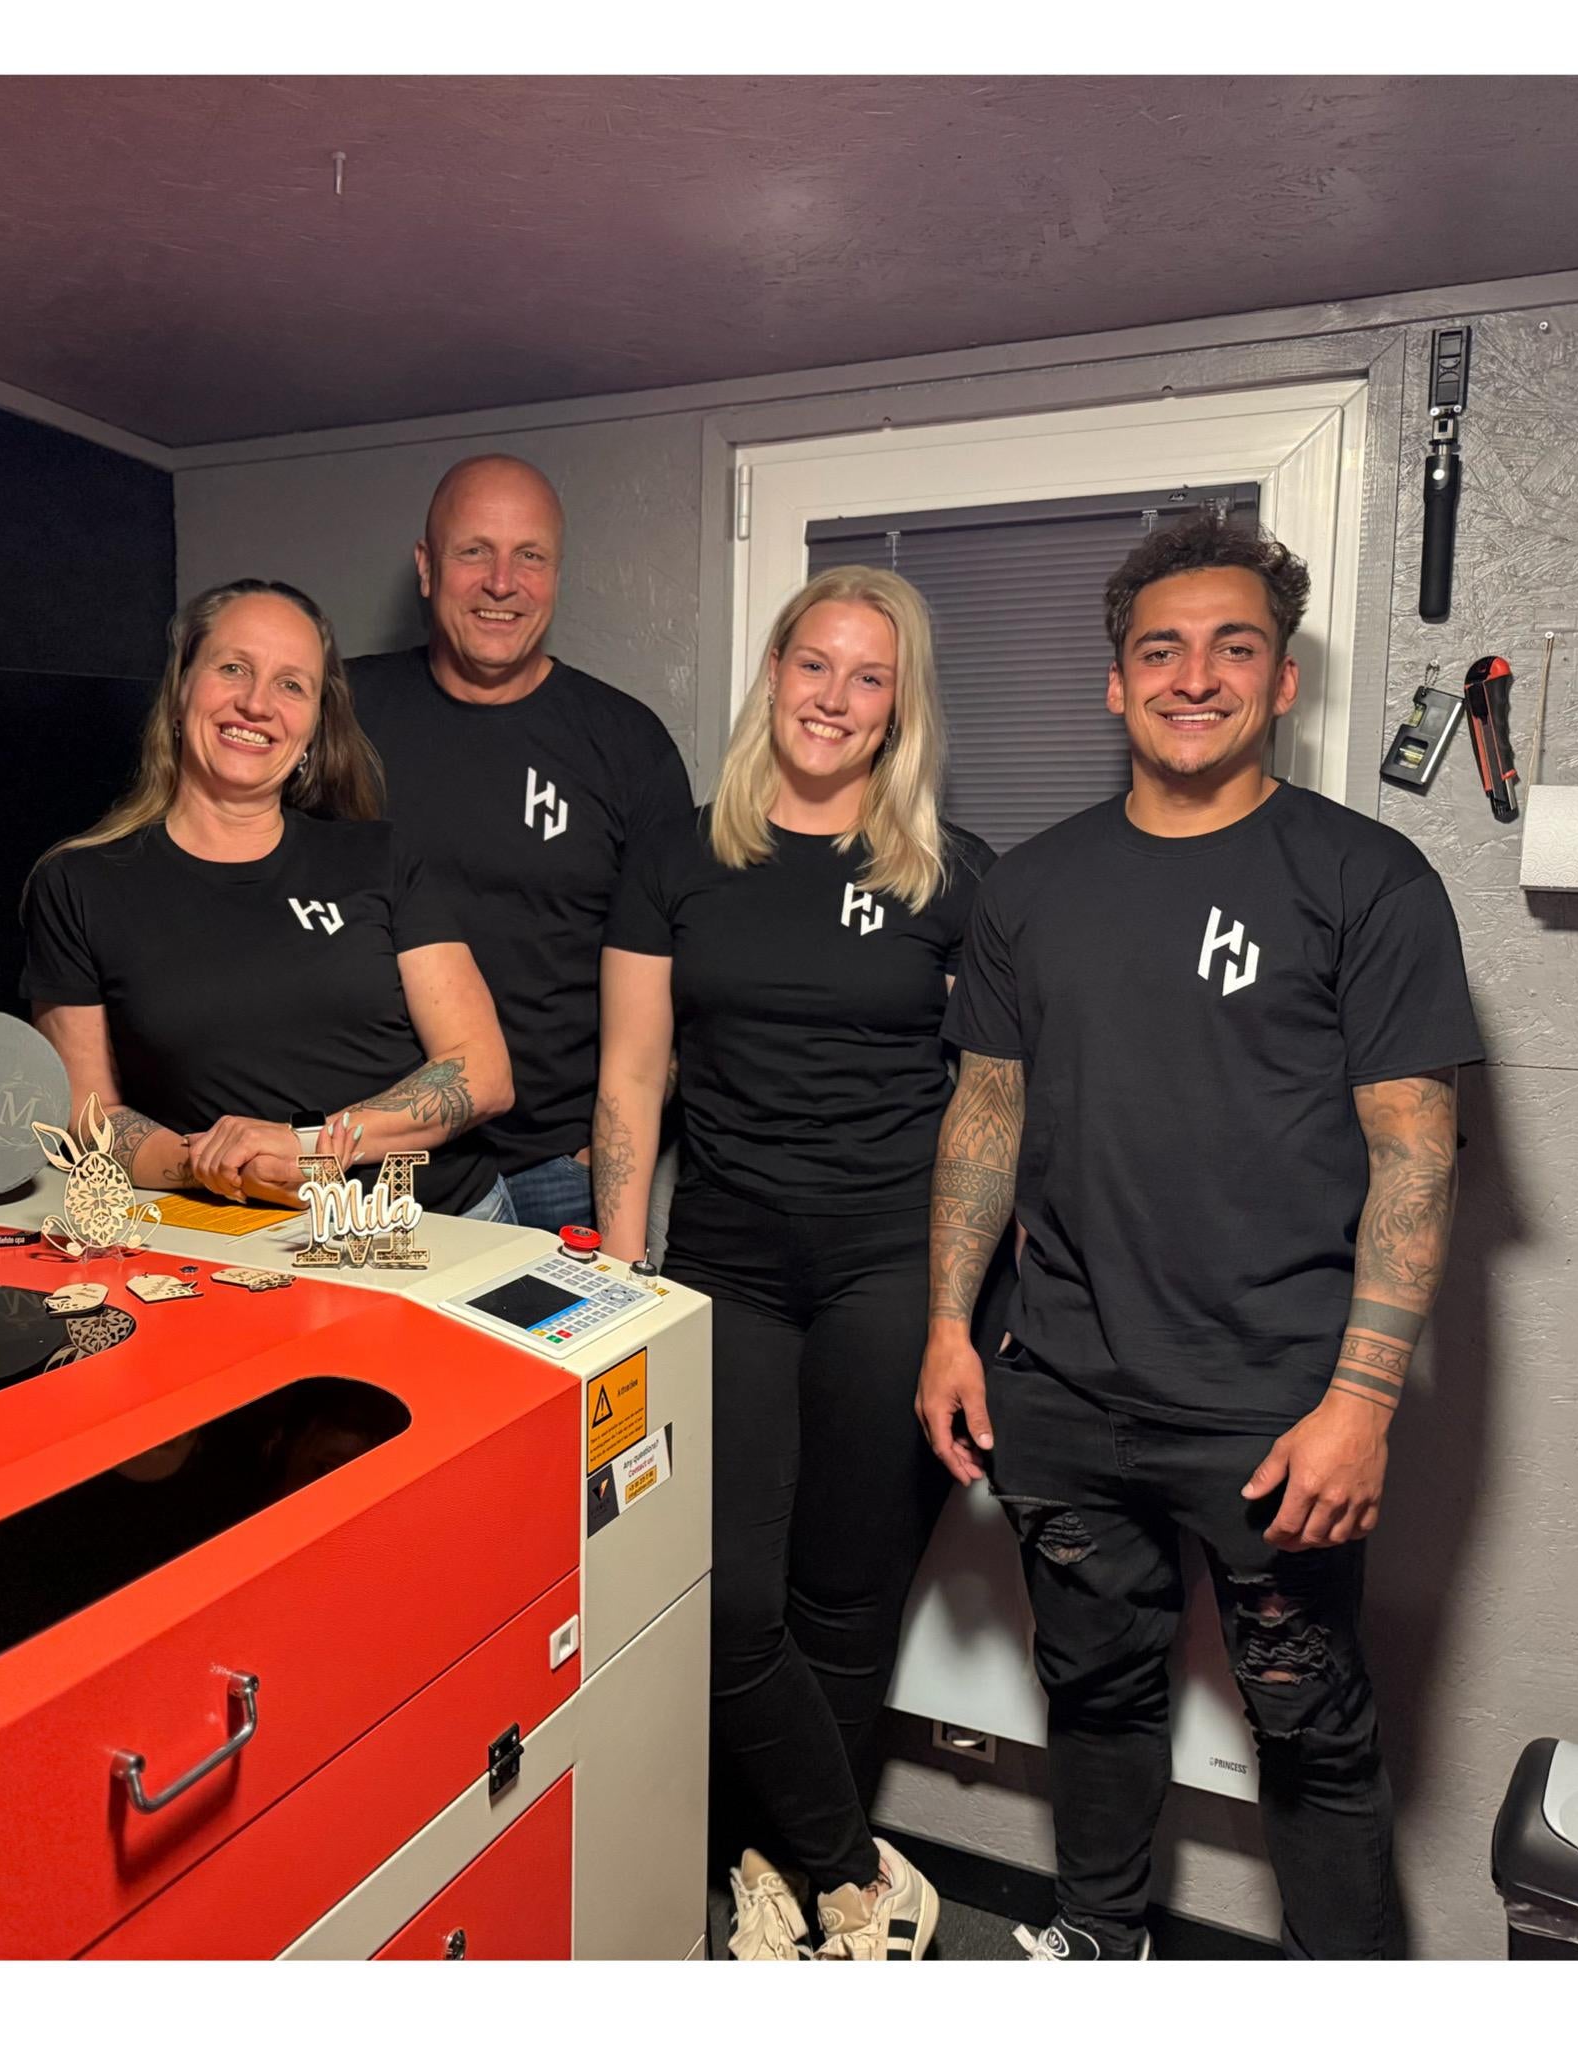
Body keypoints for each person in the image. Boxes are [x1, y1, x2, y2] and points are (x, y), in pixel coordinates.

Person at [916, 513, 1483, 1961]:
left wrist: (1362, 1403)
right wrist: (947, 1329)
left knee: (1311, 1729)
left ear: (1281, 681)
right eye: (1160, 650)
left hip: (1277, 1411)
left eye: (1234, 648)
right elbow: (986, 1112)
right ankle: (1100, 1940)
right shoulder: (1031, 887)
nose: (1194, 676)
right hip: (1062, 1389)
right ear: (1116, 682)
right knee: (1095, 1693)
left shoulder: (1366, 879)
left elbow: (1415, 1152)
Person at [594, 565, 1001, 1962]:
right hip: (728, 1264)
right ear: (773, 673)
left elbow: (993, 1104)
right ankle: (855, 1873)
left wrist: (961, 1307)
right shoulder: (677, 854)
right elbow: (631, 1076)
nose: (835, 696)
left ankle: (779, 1879)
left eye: (868, 676)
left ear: (899, 706)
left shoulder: (951, 874)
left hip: (892, 1265)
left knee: (845, 1599)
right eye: (814, 664)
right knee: (723, 1601)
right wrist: (624, 1273)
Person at [22, 578, 512, 1220]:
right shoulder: (78, 883)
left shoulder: (379, 858)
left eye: (291, 685)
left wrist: (306, 1146)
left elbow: (482, 1072)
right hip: (232, 1238)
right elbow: (90, 1115)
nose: (256, 704)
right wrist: (217, 1167)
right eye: (233, 668)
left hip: (442, 1224)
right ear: (179, 692)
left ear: (313, 728)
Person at [345, 455, 693, 1233]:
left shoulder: (627, 744)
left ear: (556, 574)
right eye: (474, 551)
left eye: (529, 556)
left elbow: (681, 981)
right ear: (427, 568)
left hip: (557, 1174)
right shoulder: (341, 715)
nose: (502, 583)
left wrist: (600, 1155)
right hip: (372, 1169)